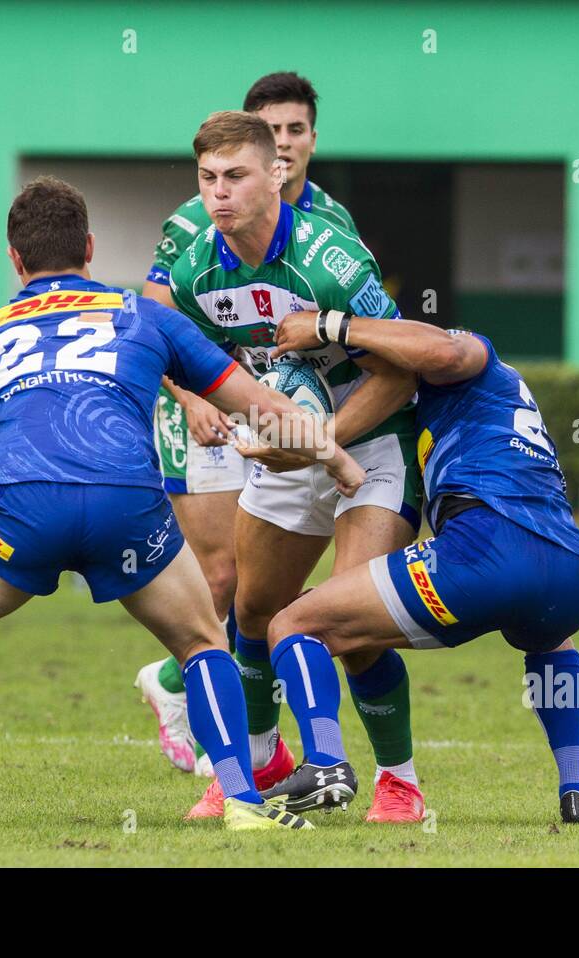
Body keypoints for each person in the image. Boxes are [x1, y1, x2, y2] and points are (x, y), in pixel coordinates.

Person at [0, 177, 365, 833]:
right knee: (203, 645)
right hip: (127, 509)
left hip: (21, 506)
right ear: (89, 246)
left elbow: (3, 414)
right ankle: (244, 802)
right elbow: (261, 406)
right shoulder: (148, 316)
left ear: (14, 259)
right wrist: (334, 457)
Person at [255, 310, 579, 824]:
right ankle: (578, 792)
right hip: (572, 571)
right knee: (551, 640)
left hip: (487, 551)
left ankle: (325, 762)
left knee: (294, 623)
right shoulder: (495, 403)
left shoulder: (474, 356)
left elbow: (445, 351)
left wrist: (331, 327)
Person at [168, 111, 429, 823]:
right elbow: (184, 355)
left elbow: (402, 369)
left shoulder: (332, 260)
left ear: (275, 174)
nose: (218, 194)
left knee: (349, 619)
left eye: (235, 176)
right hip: (287, 447)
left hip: (373, 442)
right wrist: (201, 399)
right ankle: (255, 768)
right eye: (207, 178)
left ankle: (398, 783)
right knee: (250, 612)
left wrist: (323, 439)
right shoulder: (195, 270)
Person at [135, 72, 361, 780]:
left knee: (266, 587)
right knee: (224, 576)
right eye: (274, 129)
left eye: (297, 130)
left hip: (286, 414)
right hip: (206, 408)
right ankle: (214, 730)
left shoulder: (332, 223)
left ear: (310, 140)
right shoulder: (199, 217)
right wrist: (192, 400)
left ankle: (185, 692)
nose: (285, 142)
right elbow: (156, 320)